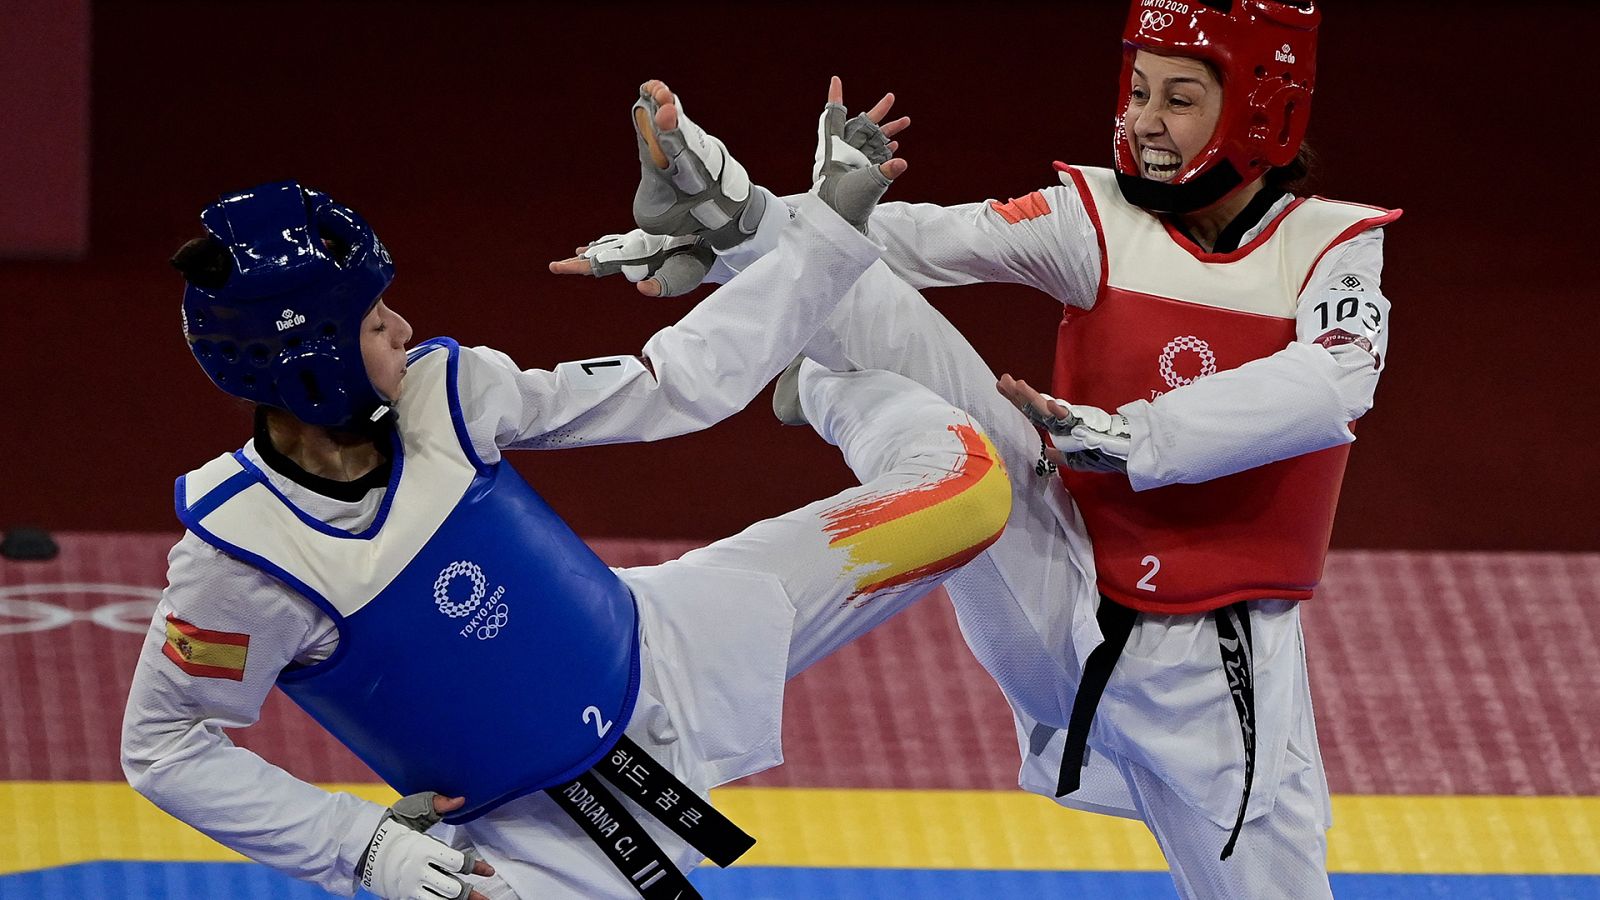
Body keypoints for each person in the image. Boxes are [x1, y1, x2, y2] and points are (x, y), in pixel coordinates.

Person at [564, 3, 1397, 895]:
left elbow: (1335, 379)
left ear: (1261, 111)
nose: (1145, 121)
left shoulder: (1330, 248)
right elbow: (905, 240)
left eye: (1180, 99)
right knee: (930, 370)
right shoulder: (1097, 218)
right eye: (1139, 91)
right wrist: (739, 229)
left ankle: (837, 390)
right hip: (1056, 577)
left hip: (1208, 666)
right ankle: (739, 232)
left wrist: (1130, 435)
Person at [120, 80, 1016, 900]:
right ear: (305, 356)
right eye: (372, 319)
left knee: (968, 490)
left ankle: (822, 387)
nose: (404, 325)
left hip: (665, 650)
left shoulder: (451, 390)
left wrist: (820, 233)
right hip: (537, 845)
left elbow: (670, 383)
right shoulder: (240, 557)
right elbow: (163, 747)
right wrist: (360, 846)